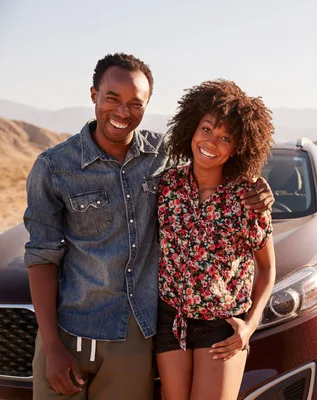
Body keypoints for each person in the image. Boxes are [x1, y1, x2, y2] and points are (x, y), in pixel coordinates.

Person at [24, 53, 274, 400]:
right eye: (112, 98)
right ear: (93, 93)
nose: (123, 112)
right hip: (80, 332)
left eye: (135, 103)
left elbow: (213, 163)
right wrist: (50, 344)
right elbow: (41, 256)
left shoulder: (163, 157)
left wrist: (260, 187)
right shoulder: (54, 167)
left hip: (141, 338)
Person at [154, 80, 276, 400]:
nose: (211, 141)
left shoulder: (247, 198)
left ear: (237, 148)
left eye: (225, 137)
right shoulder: (167, 186)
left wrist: (249, 326)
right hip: (171, 320)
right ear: (192, 130)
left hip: (222, 326)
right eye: (206, 129)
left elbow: (267, 269)